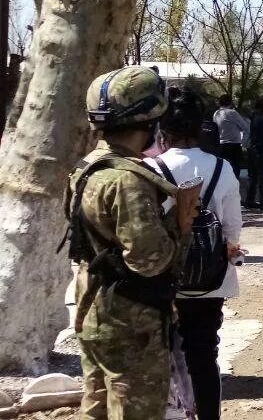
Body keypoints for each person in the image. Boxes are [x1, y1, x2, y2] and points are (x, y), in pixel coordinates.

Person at [67, 66, 198, 419]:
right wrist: (180, 226)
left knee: (96, 407)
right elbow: (149, 260)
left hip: (94, 310)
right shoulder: (129, 180)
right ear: (150, 119)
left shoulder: (89, 166)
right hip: (130, 323)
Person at [150, 89, 244, 420]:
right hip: (211, 278)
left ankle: (173, 412)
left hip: (165, 278)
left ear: (163, 131)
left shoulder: (151, 168)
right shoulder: (222, 167)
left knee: (163, 351)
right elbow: (233, 228)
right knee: (204, 355)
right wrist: (230, 250)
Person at [212, 94, 249, 177]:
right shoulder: (232, 113)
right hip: (233, 145)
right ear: (230, 102)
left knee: (223, 171)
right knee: (235, 170)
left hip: (221, 145)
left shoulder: (216, 113)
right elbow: (245, 126)